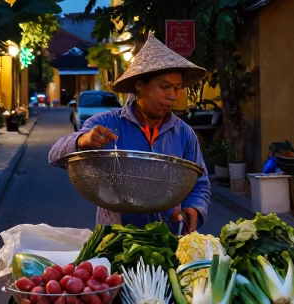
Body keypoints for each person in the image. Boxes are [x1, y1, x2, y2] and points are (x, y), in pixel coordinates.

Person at [49, 33, 211, 233]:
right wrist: (82, 141)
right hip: (114, 238)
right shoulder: (105, 123)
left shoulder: (185, 134)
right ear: (140, 86)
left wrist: (194, 207)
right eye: (164, 87)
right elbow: (54, 154)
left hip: (166, 241)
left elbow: (200, 182)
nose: (172, 96)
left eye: (177, 89)